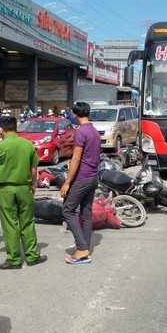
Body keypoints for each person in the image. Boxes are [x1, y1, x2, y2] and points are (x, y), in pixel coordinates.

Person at [0, 116, 47, 269]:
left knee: (9, 223)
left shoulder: (0, 146)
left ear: (1, 129)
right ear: (16, 128)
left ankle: (14, 259)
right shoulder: (27, 145)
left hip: (5, 189)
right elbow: (33, 169)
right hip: (24, 188)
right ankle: (32, 256)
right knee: (27, 222)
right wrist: (33, 185)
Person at [60, 102, 102, 265]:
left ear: (75, 115)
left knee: (68, 211)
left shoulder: (80, 132)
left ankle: (82, 248)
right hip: (93, 177)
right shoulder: (94, 132)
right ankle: (85, 248)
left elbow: (76, 159)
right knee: (86, 212)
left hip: (82, 177)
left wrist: (67, 182)